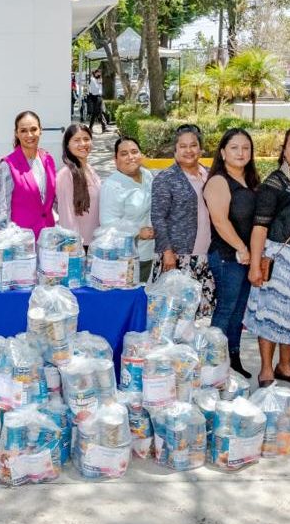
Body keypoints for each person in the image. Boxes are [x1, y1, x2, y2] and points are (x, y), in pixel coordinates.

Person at [244, 125, 290, 388]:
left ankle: (285, 366)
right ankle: (266, 368)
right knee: (270, 314)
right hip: (279, 257)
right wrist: (255, 265)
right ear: (284, 150)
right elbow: (260, 227)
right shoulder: (275, 182)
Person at [204, 129, 259, 379]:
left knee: (239, 310)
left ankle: (233, 358)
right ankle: (212, 362)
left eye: (246, 147)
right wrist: (242, 247)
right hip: (228, 255)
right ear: (223, 152)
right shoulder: (219, 181)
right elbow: (219, 220)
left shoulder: (252, 180)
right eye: (234, 147)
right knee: (226, 309)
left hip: (247, 257)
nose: (241, 152)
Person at [151, 123, 217, 318]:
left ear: (201, 148)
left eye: (193, 145)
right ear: (175, 150)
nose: (189, 150)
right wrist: (168, 253)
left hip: (207, 257)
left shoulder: (210, 174)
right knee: (174, 317)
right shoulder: (166, 178)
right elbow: (158, 217)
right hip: (178, 257)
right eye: (183, 146)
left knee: (202, 316)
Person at [0, 111, 58, 238]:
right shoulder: (8, 165)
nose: (29, 135)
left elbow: (53, 200)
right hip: (21, 241)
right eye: (23, 130)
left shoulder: (48, 159)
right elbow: (3, 209)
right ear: (16, 133)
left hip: (48, 237)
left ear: (40, 130)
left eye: (33, 129)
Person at [101, 136, 155, 283]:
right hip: (127, 258)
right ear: (115, 159)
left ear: (141, 155)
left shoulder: (147, 175)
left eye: (134, 152)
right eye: (124, 154)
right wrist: (138, 232)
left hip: (152, 252)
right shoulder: (112, 185)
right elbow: (108, 223)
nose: (130, 157)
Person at [55, 124, 101, 247]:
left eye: (86, 139)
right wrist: (74, 249)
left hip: (94, 243)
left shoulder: (90, 170)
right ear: (67, 145)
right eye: (76, 140)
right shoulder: (66, 175)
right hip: (78, 246)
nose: (83, 144)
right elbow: (67, 217)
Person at [87, 69, 106, 133]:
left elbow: (100, 88)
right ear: (95, 73)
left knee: (99, 112)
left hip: (99, 97)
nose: (99, 74)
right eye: (98, 73)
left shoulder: (96, 80)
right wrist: (99, 83)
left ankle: (103, 126)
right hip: (96, 97)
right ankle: (91, 127)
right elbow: (94, 90)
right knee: (96, 113)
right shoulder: (92, 80)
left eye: (100, 73)